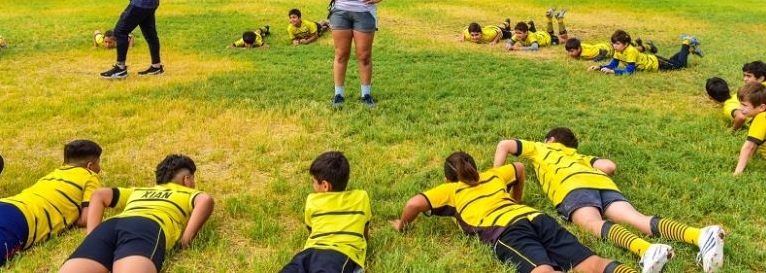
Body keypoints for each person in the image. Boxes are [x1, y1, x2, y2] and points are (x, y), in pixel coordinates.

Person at [494, 128, 725, 273]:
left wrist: (497, 175)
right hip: (601, 182)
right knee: (636, 218)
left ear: (550, 139)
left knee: (592, 223)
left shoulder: (540, 147)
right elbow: (609, 167)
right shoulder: (579, 155)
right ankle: (698, 234)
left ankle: (645, 249)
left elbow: (505, 144)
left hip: (571, 186)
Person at [392, 151, 638, 273]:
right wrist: (515, 199)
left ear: (448, 177)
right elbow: (518, 167)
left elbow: (414, 203)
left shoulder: (449, 190)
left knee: (542, 269)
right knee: (592, 263)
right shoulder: (494, 174)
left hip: (507, 231)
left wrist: (401, 225)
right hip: (536, 217)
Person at [59, 154, 214, 273]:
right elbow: (205, 200)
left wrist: (91, 235)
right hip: (147, 227)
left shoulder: (139, 191)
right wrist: (185, 241)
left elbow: (99, 194)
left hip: (110, 226)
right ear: (187, 179)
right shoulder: (187, 193)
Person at [0, 140, 102, 271]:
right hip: (16, 219)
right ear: (90, 166)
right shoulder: (90, 176)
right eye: (99, 163)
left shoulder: (53, 174)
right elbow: (87, 218)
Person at [280, 151, 370, 273]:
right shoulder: (361, 197)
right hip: (339, 255)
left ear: (325, 186)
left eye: (313, 181)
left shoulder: (312, 200)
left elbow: (312, 231)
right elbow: (364, 231)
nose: (312, 185)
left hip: (309, 253)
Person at [591, 31, 701, 75]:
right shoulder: (618, 51)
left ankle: (686, 42)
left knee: (681, 66)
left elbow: (629, 71)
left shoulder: (630, 51)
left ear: (625, 44)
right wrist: (599, 67)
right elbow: (613, 65)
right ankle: (690, 50)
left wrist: (612, 72)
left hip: (656, 63)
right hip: (654, 59)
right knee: (674, 61)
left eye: (617, 44)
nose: (614, 46)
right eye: (613, 43)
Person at [733, 82, 766, 175]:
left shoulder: (761, 118)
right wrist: (750, 158)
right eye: (740, 104)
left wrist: (737, 173)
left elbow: (749, 146)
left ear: (761, 107)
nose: (740, 108)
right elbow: (757, 141)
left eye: (744, 105)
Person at [565, 37, 657, 62]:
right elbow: (578, 40)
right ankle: (636, 41)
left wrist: (595, 60)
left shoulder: (588, 53)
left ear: (578, 48)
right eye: (568, 51)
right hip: (604, 45)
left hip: (610, 49)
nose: (570, 53)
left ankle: (648, 45)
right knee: (625, 45)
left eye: (572, 51)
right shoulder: (580, 45)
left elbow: (603, 52)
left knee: (631, 50)